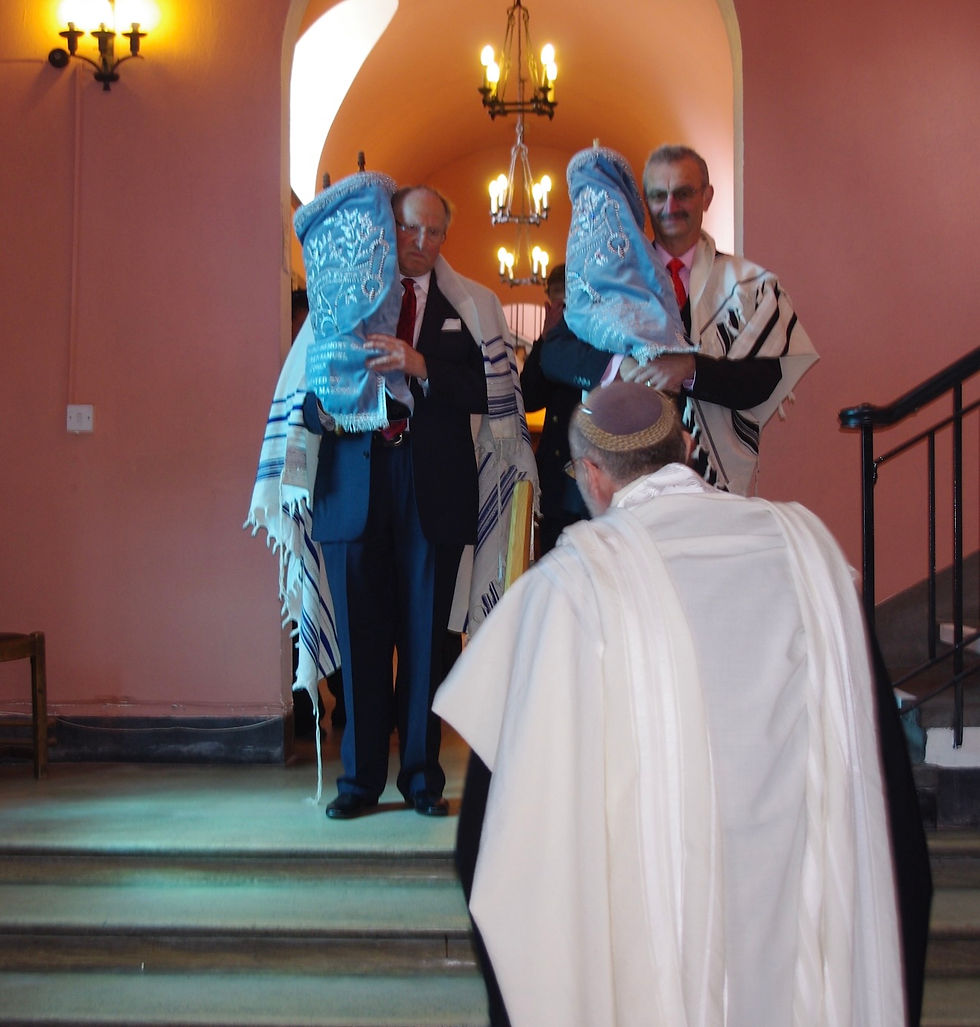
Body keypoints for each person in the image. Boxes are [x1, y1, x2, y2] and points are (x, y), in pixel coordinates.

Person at [435, 380, 921, 1026]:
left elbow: (495, 841)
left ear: (592, 475)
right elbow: (890, 803)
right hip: (800, 949)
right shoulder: (809, 556)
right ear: (687, 447)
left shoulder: (569, 591)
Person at [302, 183, 534, 820]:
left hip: (432, 486)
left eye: (434, 231)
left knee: (429, 639)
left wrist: (420, 363)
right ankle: (359, 781)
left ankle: (423, 779)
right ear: (388, 226)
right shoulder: (347, 297)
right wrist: (330, 409)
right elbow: (308, 401)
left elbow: (492, 393)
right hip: (356, 482)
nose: (421, 242)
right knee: (362, 638)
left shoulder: (472, 307)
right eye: (409, 228)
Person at [541, 144, 819, 495]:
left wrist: (691, 370)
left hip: (712, 482)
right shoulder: (612, 274)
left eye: (683, 193)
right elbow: (555, 354)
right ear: (645, 201)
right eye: (659, 196)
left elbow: (765, 379)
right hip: (626, 479)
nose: (670, 207)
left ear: (707, 196)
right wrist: (619, 366)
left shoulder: (749, 286)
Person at [518, 264, 589, 554]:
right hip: (557, 480)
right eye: (559, 303)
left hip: (593, 468)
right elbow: (528, 398)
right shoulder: (549, 345)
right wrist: (545, 338)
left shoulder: (598, 340)